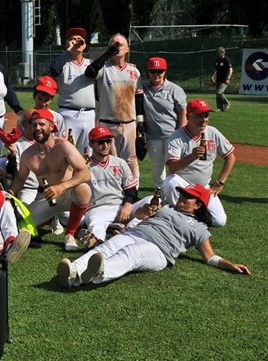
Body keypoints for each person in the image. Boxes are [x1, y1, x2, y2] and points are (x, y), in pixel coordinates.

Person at [56, 183, 250, 288]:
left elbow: (210, 256)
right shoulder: (166, 208)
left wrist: (230, 265)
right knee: (106, 247)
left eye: (187, 196)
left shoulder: (200, 229)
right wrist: (140, 215)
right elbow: (140, 216)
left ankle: (100, 271)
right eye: (182, 194)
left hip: (159, 250)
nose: (181, 197)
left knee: (130, 254)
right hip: (138, 232)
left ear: (198, 205)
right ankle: (73, 271)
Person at [8, 109, 91, 251]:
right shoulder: (28, 154)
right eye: (34, 125)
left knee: (83, 189)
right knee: (21, 228)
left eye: (41, 124)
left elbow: (85, 173)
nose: (37, 128)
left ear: (51, 127)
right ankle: (49, 218)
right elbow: (21, 179)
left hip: (67, 194)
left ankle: (70, 234)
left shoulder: (63, 145)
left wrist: (61, 187)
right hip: (45, 197)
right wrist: (8, 194)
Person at [162, 99, 235, 227]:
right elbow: (173, 168)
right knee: (170, 181)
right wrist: (191, 156)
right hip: (183, 185)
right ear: (188, 117)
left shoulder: (212, 132)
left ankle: (189, 215)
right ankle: (176, 214)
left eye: (206, 115)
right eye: (198, 116)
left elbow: (230, 157)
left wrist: (219, 183)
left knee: (220, 221)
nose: (204, 119)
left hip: (203, 187)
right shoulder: (177, 137)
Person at [84, 33, 144, 184]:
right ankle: (113, 189)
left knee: (131, 159)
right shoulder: (102, 69)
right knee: (110, 160)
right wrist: (108, 53)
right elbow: (89, 72)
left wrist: (140, 123)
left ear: (128, 49)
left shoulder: (134, 71)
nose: (117, 47)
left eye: (120, 45)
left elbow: (139, 98)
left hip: (129, 123)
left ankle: (133, 190)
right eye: (113, 45)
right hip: (108, 123)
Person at [80, 126, 139, 246]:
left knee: (151, 203)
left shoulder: (119, 162)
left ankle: (127, 228)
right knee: (96, 225)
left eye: (108, 141)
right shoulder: (84, 166)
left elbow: (131, 189)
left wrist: (127, 205)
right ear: (91, 144)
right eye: (101, 142)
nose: (106, 145)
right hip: (97, 209)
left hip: (120, 208)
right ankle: (98, 244)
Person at [49, 27, 96, 154]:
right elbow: (54, 70)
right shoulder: (64, 64)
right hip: (68, 113)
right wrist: (68, 50)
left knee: (88, 154)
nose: (76, 42)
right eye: (72, 39)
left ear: (85, 44)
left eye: (80, 39)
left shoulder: (90, 64)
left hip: (89, 114)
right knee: (65, 153)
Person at [142, 57, 187, 188]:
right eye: (153, 71)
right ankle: (160, 196)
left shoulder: (174, 89)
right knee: (157, 167)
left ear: (165, 72)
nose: (157, 74)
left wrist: (181, 133)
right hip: (152, 136)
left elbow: (183, 111)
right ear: (148, 72)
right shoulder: (143, 88)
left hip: (172, 135)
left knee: (175, 168)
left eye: (160, 71)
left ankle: (177, 194)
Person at [211, 47, 233, 112]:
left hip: (224, 80)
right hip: (218, 79)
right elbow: (215, 69)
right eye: (217, 52)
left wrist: (228, 78)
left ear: (223, 53)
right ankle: (220, 108)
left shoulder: (226, 60)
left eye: (219, 52)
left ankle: (226, 103)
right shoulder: (217, 60)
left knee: (219, 93)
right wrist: (212, 76)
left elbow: (231, 70)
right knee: (217, 95)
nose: (217, 54)